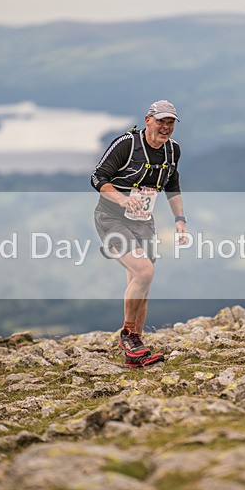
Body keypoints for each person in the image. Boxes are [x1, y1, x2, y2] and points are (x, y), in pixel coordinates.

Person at [90, 99, 187, 368]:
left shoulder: (172, 151)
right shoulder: (127, 144)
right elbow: (98, 178)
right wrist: (122, 200)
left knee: (141, 283)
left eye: (171, 123)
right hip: (111, 218)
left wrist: (180, 220)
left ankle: (135, 350)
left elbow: (173, 184)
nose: (166, 127)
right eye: (161, 121)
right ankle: (127, 334)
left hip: (143, 222)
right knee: (144, 271)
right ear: (148, 120)